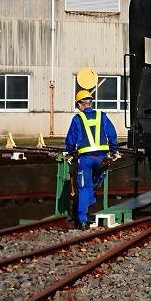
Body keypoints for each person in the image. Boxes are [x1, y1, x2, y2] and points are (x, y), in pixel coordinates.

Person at [65, 90, 119, 229]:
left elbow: (70, 140)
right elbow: (112, 134)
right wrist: (114, 150)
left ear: (79, 104)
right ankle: (91, 201)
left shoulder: (77, 118)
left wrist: (71, 152)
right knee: (96, 181)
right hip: (101, 158)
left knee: (83, 188)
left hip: (85, 160)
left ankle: (83, 219)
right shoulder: (102, 116)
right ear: (90, 102)